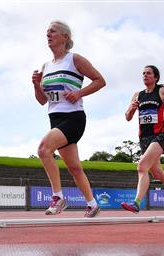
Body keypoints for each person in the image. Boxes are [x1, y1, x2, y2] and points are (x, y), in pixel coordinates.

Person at [32, 21, 106, 218]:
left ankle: (58, 197)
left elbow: (100, 80)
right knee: (74, 168)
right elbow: (42, 101)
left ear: (65, 37)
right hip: (55, 119)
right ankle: (92, 204)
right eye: (47, 31)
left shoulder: (75, 59)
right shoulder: (46, 66)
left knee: (43, 149)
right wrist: (36, 85)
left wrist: (79, 93)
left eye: (53, 31)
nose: (48, 34)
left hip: (73, 118)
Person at [121, 65, 164, 213]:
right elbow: (127, 118)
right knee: (156, 173)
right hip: (144, 138)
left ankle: (136, 203)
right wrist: (131, 108)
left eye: (148, 73)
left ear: (155, 77)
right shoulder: (137, 95)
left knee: (142, 166)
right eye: (143, 73)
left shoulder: (162, 90)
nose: (145, 75)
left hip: (159, 135)